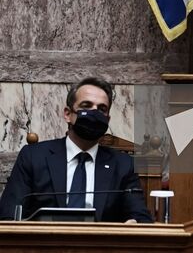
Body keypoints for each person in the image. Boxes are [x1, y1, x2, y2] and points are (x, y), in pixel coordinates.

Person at [0, 76, 152, 223]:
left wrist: (134, 223)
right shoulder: (34, 156)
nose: (94, 113)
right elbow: (9, 215)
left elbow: (141, 219)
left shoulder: (124, 165)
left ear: (107, 119)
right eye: (86, 106)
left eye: (102, 109)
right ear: (68, 114)